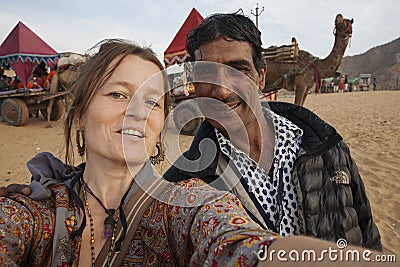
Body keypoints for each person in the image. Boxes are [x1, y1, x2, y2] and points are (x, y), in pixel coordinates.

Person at [0, 39, 390, 267]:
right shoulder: (35, 211)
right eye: (118, 94)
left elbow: (247, 246)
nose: (137, 111)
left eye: (152, 102)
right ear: (80, 112)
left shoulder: (187, 204)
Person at [164, 11, 382, 250]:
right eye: (206, 74)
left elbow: (367, 236)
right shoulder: (181, 185)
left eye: (238, 70)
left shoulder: (327, 146)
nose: (223, 91)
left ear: (261, 78)